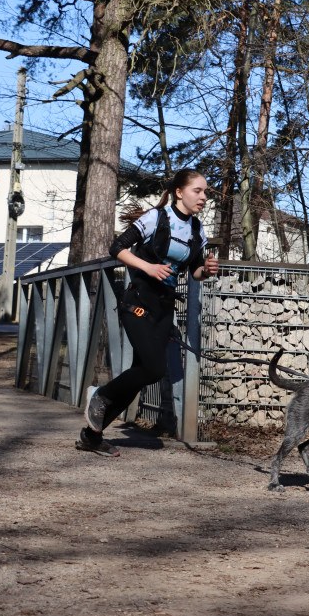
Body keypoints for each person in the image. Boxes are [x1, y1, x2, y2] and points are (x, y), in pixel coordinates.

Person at [76, 169, 219, 456]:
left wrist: (207, 271)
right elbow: (116, 247)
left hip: (164, 309)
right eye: (198, 191)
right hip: (138, 303)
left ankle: (92, 437)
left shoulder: (197, 229)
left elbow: (194, 272)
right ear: (179, 192)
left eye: (205, 192)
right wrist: (148, 267)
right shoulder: (156, 218)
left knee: (142, 374)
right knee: (153, 369)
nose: (203, 197)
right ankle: (100, 395)